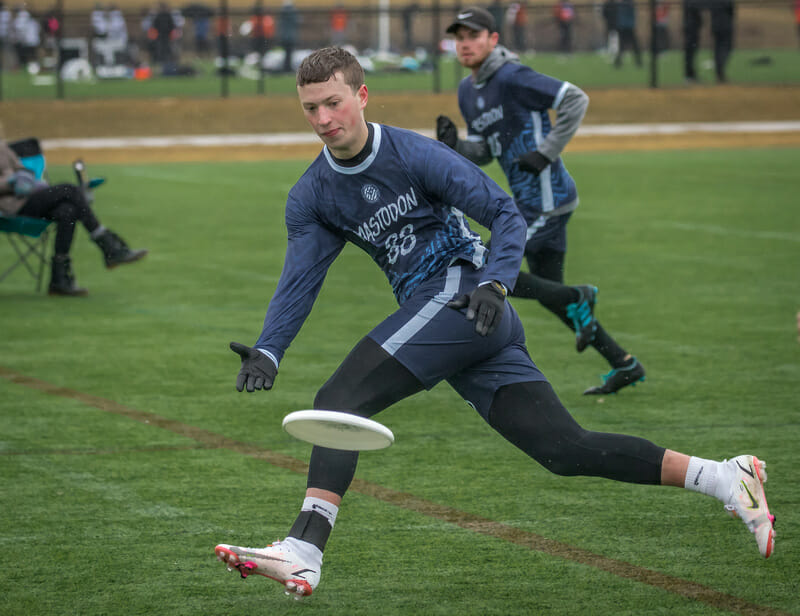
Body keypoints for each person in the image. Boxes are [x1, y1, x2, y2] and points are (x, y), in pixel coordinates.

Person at [213, 46, 775, 599]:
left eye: (332, 103)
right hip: (456, 321)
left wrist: (497, 281)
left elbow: (504, 212)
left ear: (362, 95)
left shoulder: (413, 153)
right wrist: (270, 349)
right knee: (564, 449)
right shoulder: (311, 194)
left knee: (338, 401)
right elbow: (300, 277)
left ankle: (303, 551)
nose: (322, 119)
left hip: (463, 296)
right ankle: (724, 476)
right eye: (310, 109)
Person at [435, 7, 644, 395]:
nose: (465, 44)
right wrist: (456, 145)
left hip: (548, 199)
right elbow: (486, 149)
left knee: (494, 269)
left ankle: (578, 296)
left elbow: (575, 99)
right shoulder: (468, 90)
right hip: (529, 202)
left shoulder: (514, 76)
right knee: (550, 293)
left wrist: (546, 152)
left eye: (473, 36)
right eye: (459, 38)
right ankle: (624, 363)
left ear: (493, 39)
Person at [0, 138, 147, 296]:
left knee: (67, 211)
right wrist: (11, 182)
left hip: (29, 196)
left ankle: (60, 281)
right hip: (10, 208)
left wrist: (25, 177)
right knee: (69, 190)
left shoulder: (2, 146)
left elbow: (21, 169)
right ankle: (108, 245)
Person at [709, 0, 734, 83]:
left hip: (715, 25)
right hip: (726, 25)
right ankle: (721, 72)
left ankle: (719, 73)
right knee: (726, 48)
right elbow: (731, 10)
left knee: (717, 49)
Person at [614, 0, 642, 68]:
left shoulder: (622, 4)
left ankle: (618, 62)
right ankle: (638, 62)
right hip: (628, 26)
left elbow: (619, 15)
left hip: (624, 26)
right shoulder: (629, 3)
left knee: (622, 45)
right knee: (634, 45)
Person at [683, 0, 702, 83]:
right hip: (691, 28)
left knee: (690, 53)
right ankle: (689, 75)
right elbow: (696, 10)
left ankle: (690, 74)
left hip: (690, 27)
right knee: (690, 52)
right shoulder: (691, 3)